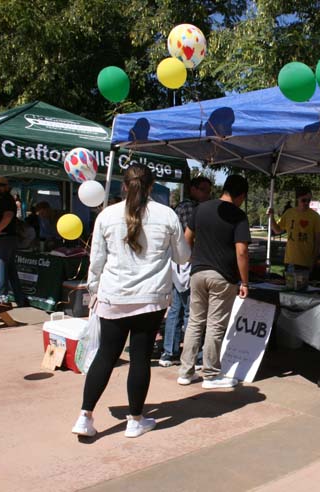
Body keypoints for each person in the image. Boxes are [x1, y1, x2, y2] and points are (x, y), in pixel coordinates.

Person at [72, 163, 190, 438]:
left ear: (124, 186)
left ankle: (85, 415)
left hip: (114, 296)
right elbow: (182, 257)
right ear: (150, 186)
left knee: (106, 355)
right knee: (139, 358)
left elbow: (96, 261)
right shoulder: (167, 215)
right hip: (150, 298)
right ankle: (135, 419)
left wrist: (93, 291)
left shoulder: (106, 215)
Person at [177, 174, 251, 389]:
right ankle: (210, 374)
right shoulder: (238, 215)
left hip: (197, 272)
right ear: (241, 195)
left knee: (194, 322)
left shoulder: (201, 208)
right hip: (222, 277)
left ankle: (185, 372)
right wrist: (244, 282)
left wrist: (193, 259)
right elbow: (242, 251)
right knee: (215, 325)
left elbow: (187, 237)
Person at [157, 176, 212, 367]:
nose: (207, 194)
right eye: (204, 190)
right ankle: (192, 355)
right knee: (191, 311)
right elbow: (191, 237)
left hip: (176, 263)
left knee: (176, 310)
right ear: (194, 189)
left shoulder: (179, 207)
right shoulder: (191, 208)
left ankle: (169, 352)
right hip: (188, 263)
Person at [268, 186, 320, 270]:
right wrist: (271, 217)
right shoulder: (289, 213)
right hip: (290, 260)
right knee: (290, 283)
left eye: (309, 200)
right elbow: (277, 230)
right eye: (304, 200)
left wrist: (314, 260)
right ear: (297, 199)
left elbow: (317, 241)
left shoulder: (315, 216)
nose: (306, 203)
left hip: (306, 261)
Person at [0, 178, 27, 305]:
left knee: (1, 267)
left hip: (4, 237)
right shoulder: (3, 199)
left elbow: (8, 216)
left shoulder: (6, 199)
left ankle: (1, 296)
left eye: (0, 185)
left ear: (7, 187)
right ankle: (20, 298)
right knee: (10, 269)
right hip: (8, 238)